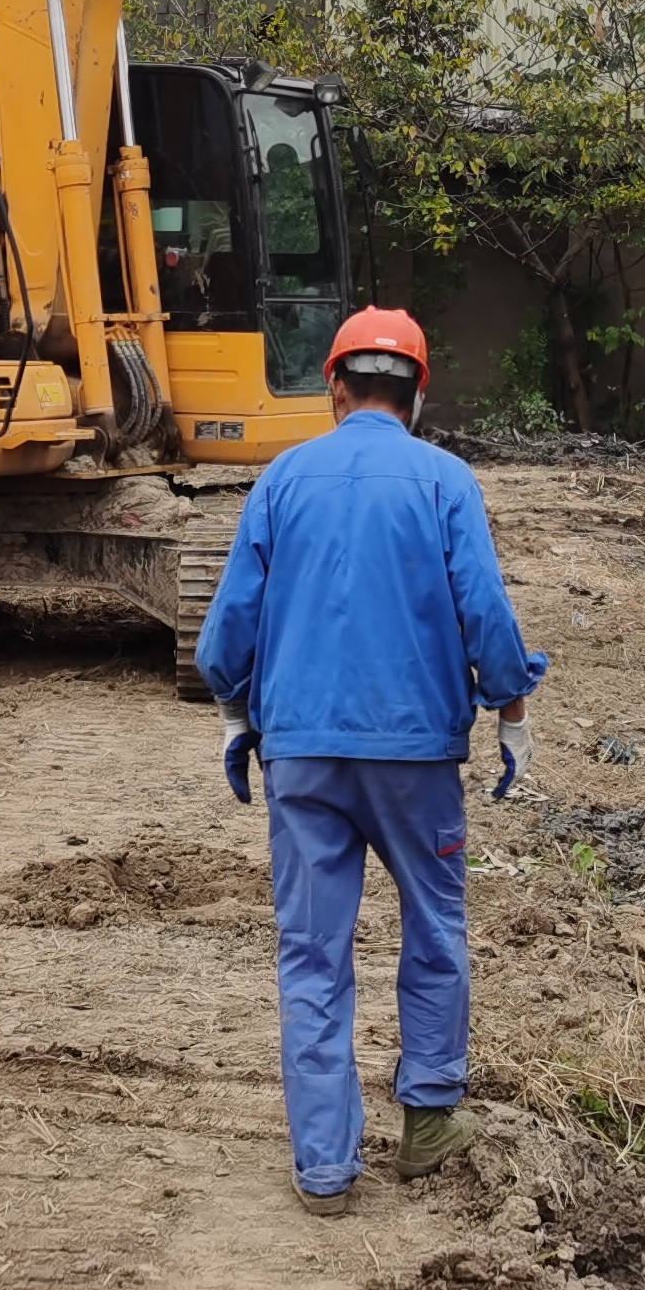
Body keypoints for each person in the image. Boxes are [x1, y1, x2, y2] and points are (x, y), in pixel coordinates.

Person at [193, 307, 546, 1216]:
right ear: (418, 392)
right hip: (415, 758)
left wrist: (235, 708)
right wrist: (510, 703)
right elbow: (485, 611)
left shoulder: (282, 479)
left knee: (312, 953)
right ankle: (427, 1123)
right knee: (435, 926)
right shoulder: (445, 481)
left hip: (303, 756)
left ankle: (324, 1170)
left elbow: (228, 632)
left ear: (335, 387)